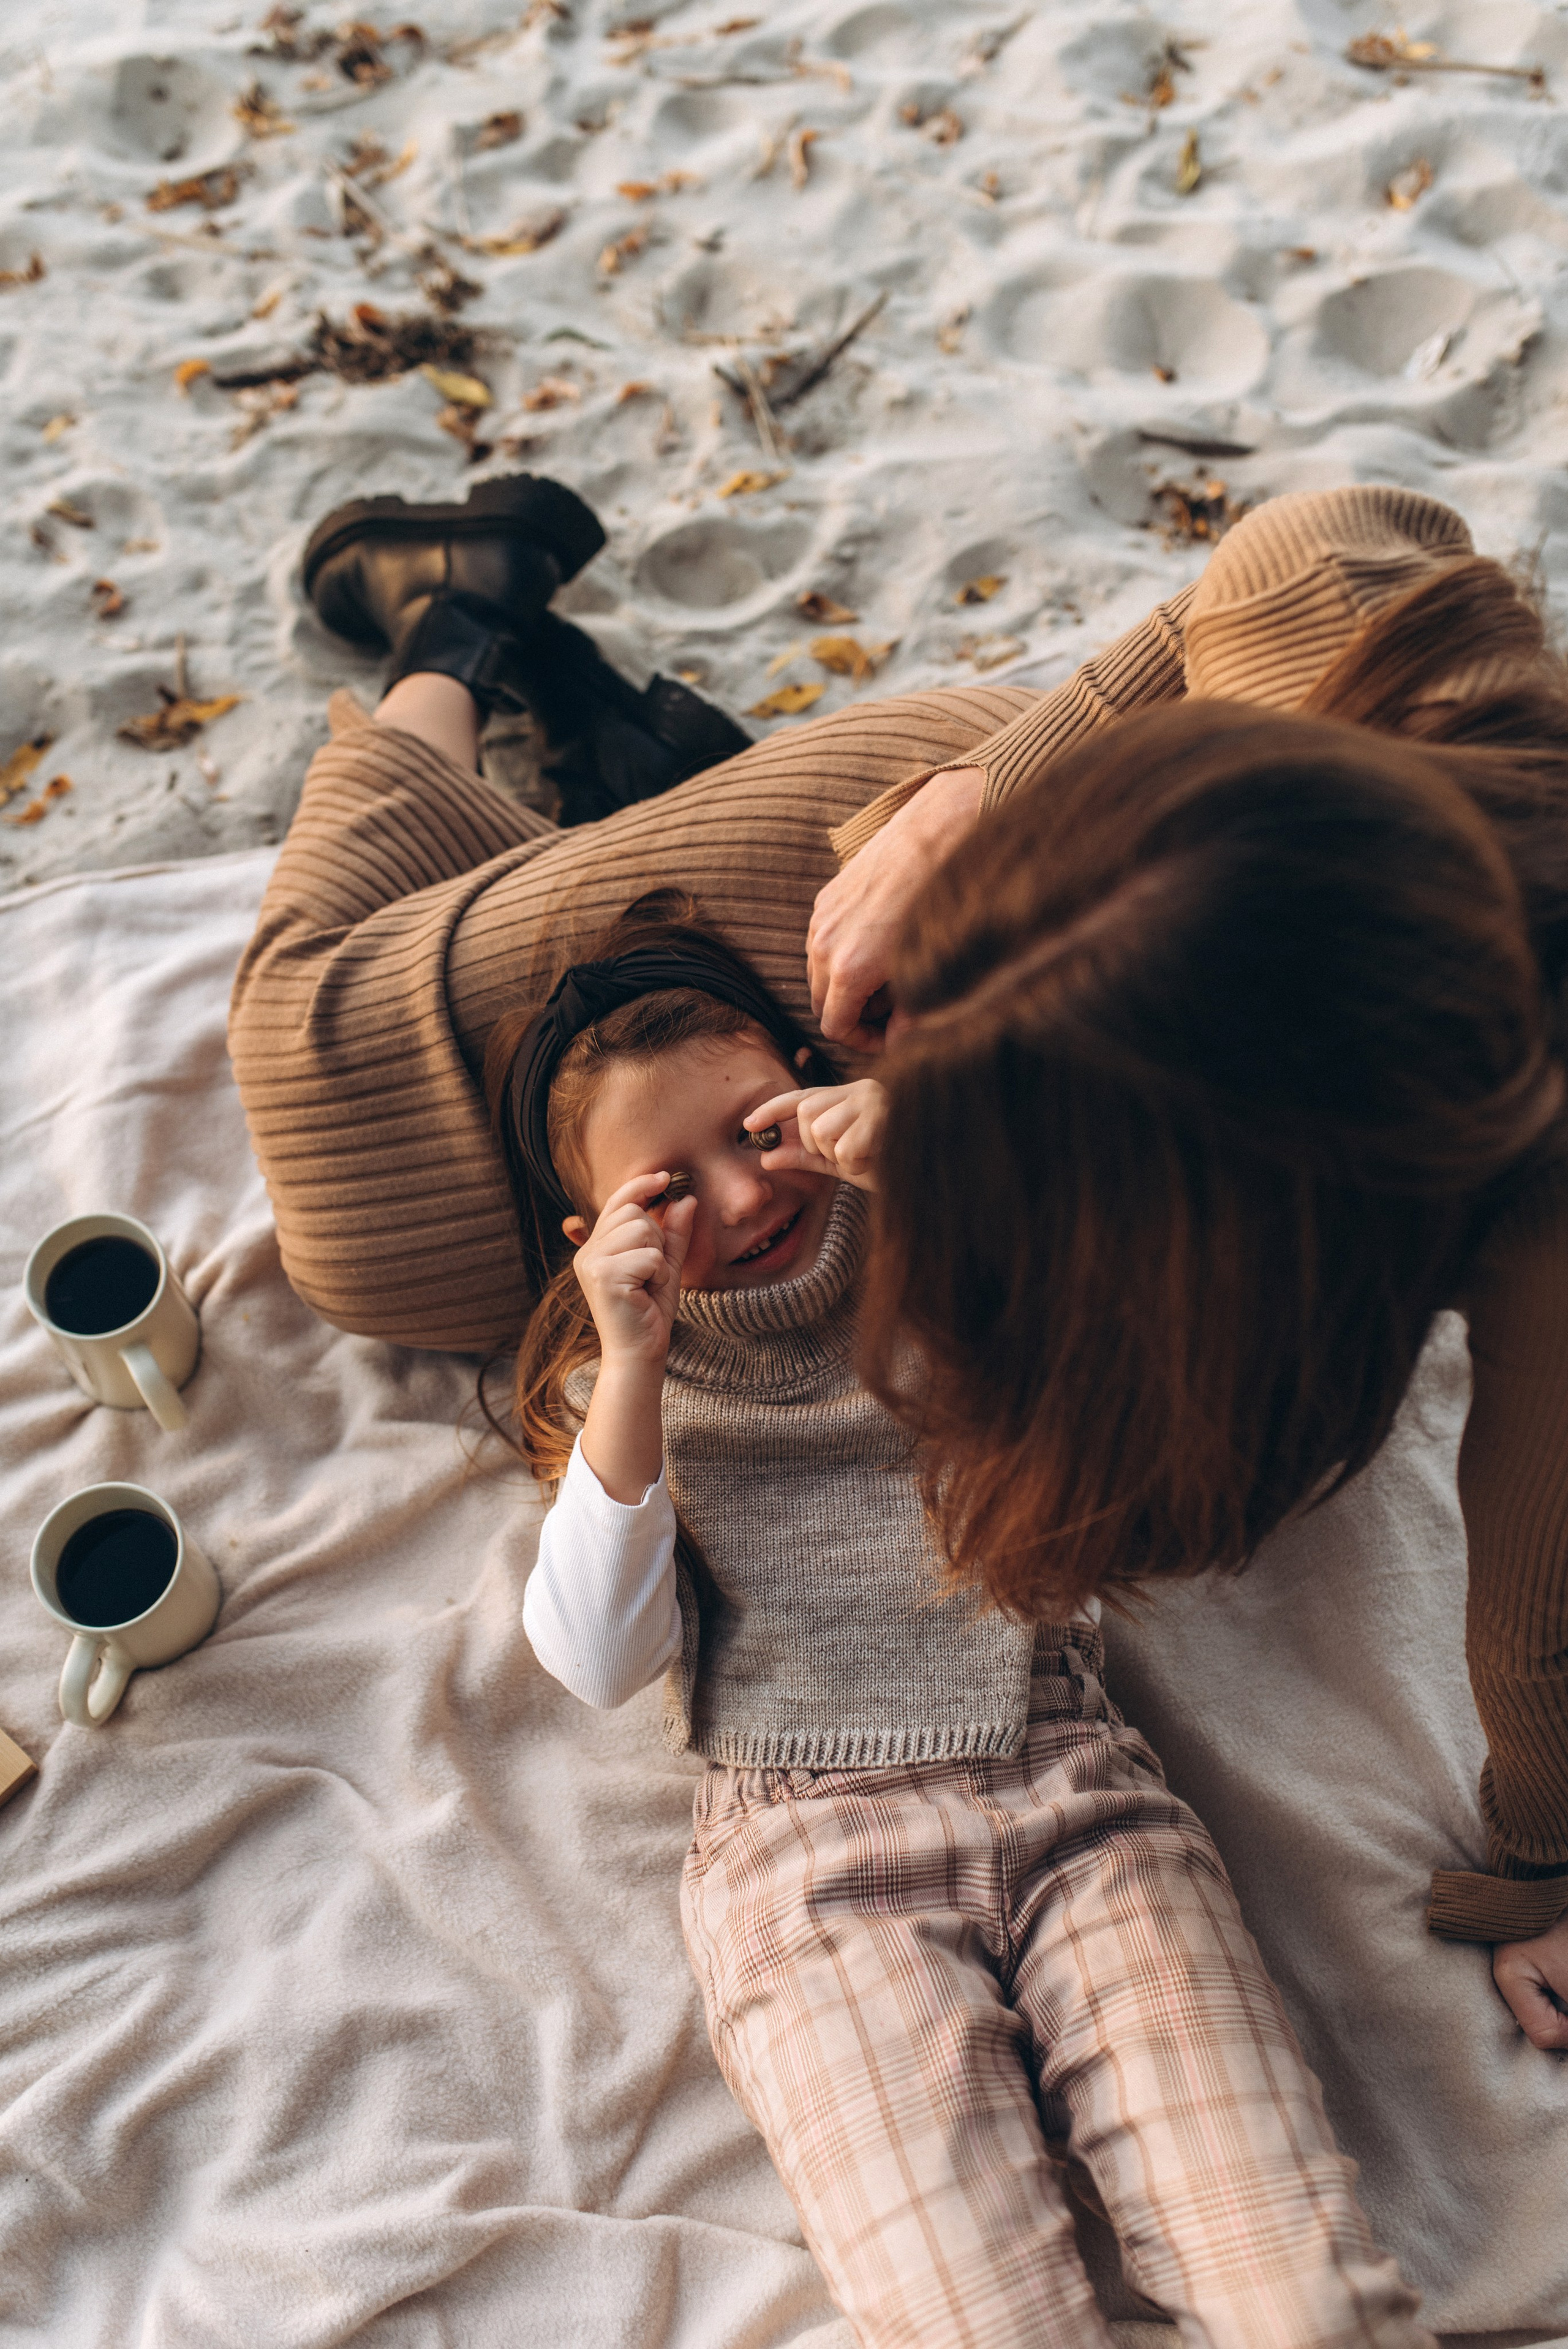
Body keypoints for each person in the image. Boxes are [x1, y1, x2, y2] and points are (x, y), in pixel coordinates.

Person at [228, 476, 1561, 2045]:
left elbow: (1539, 1599)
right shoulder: (1442, 730)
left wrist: (1540, 1866)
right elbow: (1320, 539)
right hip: (929, 874)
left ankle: (559, 736)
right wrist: (977, 803)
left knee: (366, 1144)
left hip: (1017, 955)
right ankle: (450, 632)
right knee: (315, 1090)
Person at [502, 889, 1431, 2349]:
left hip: (1069, 1783)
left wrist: (957, 1167)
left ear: (811, 1089)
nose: (740, 1203)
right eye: (664, 1190)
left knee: (1306, 2304)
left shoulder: (946, 1231)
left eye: (754, 1131)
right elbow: (599, 1660)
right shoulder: (623, 1387)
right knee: (983, 2326)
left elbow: (1148, 1336)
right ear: (593, 1237)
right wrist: (626, 1366)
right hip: (808, 1856)